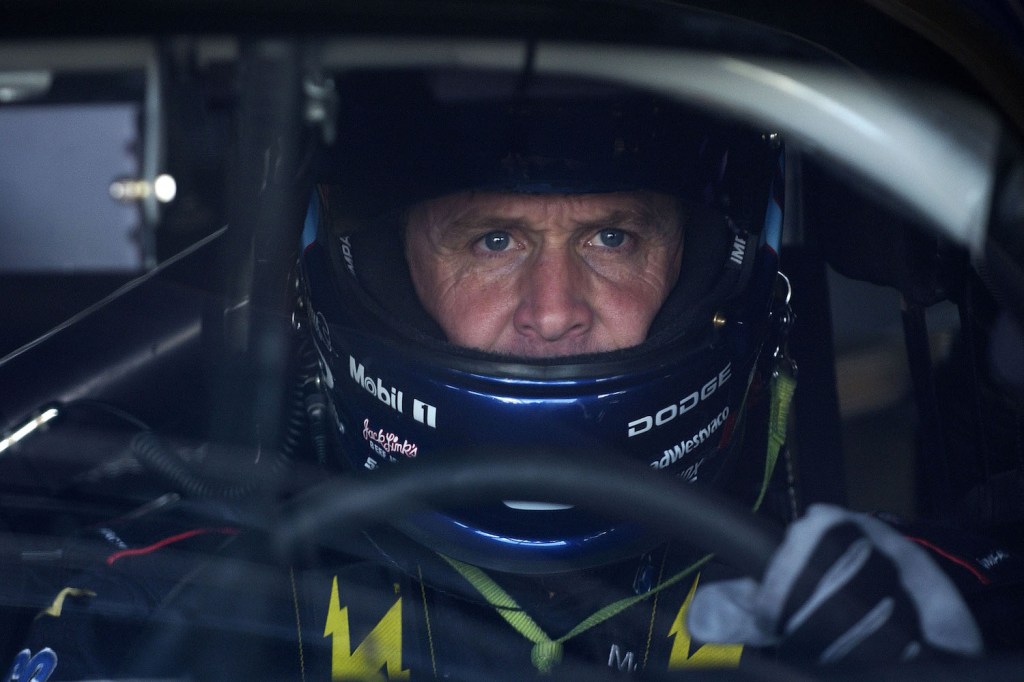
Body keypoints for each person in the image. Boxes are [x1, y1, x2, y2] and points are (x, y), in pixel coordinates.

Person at [12, 65, 1016, 681]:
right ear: (377, 270)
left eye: (613, 236)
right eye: (491, 239)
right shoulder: (164, 611)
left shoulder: (894, 607)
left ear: (713, 264)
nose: (553, 310)